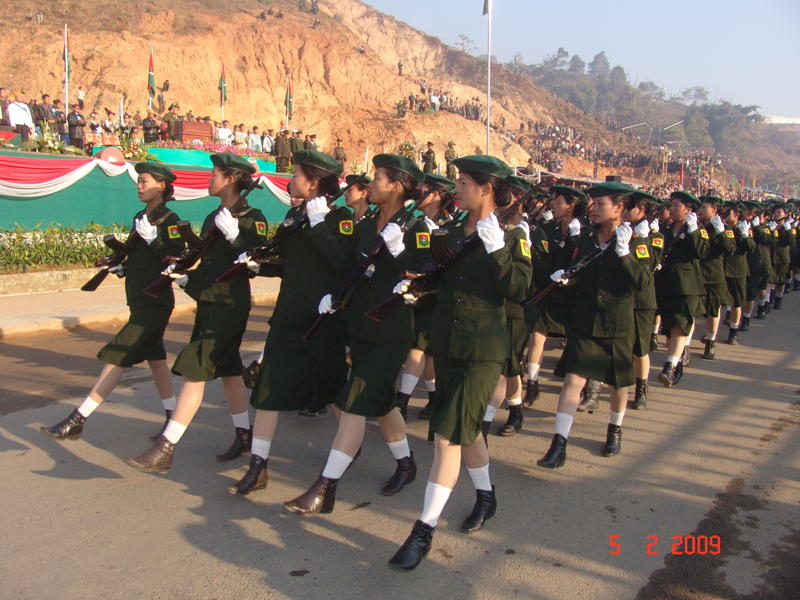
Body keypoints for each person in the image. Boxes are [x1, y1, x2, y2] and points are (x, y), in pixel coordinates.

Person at [387, 155, 531, 571]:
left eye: (464, 182)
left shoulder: (512, 234)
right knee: (466, 431)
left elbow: (519, 287)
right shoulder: (450, 230)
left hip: (483, 352)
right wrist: (405, 266)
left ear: (487, 188)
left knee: (447, 436)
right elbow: (433, 275)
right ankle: (486, 495)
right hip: (448, 344)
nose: (457, 189)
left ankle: (422, 530)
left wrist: (498, 247)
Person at [283, 154, 427, 515]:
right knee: (380, 403)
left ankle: (325, 486)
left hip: (391, 330)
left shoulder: (419, 227)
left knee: (354, 402)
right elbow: (342, 263)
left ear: (396, 184)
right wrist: (333, 294)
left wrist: (401, 251)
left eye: (378, 178)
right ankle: (407, 464)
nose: (370, 184)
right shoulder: (364, 225)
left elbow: (428, 274)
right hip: (360, 326)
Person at [125, 153, 269, 473]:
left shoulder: (251, 216)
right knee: (230, 371)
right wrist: (187, 278)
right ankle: (244, 435)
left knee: (195, 371)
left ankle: (166, 446)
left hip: (230, 305)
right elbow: (204, 262)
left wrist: (237, 236)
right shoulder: (211, 217)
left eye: (215, 173)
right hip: (209, 302)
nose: (209, 178)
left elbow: (259, 263)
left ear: (231, 179)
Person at [226, 150, 351, 495]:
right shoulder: (294, 215)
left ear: (312, 182)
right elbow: (286, 262)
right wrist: (258, 264)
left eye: (296, 175)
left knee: (333, 390)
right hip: (288, 318)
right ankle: (258, 466)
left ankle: (349, 449)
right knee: (269, 391)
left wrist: (319, 223)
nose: (290, 180)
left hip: (322, 323)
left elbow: (341, 261)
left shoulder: (341, 218)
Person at [41, 163, 185, 442]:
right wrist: (123, 267)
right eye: (138, 182)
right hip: (139, 298)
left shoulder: (170, 219)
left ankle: (79, 417)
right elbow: (137, 256)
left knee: (117, 355)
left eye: (144, 182)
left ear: (162, 186)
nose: (139, 186)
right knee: (156, 360)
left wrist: (155, 240)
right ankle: (172, 417)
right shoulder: (139, 216)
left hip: (155, 303)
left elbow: (176, 258)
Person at [537, 181, 648, 470]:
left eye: (601, 204)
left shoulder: (636, 240)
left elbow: (643, 283)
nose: (594, 209)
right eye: (593, 203)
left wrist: (625, 256)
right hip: (585, 318)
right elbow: (583, 273)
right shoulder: (587, 239)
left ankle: (615, 428)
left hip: (616, 322)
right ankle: (558, 443)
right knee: (573, 379)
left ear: (619, 208)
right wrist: (567, 278)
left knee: (618, 383)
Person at [393, 173, 457, 420]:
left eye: (425, 190)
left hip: (436, 295)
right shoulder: (420, 225)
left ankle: (404, 400)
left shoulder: (446, 226)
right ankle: (428, 398)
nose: (419, 193)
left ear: (437, 195)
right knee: (421, 349)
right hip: (424, 295)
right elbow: (420, 261)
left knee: (420, 350)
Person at [524, 185, 584, 407]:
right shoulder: (552, 228)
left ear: (572, 206)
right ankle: (532, 383)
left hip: (573, 293)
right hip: (550, 289)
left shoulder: (584, 230)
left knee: (577, 341)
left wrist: (576, 238)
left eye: (559, 202)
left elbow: (583, 261)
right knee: (537, 335)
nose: (554, 206)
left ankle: (587, 384)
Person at [656, 192, 709, 387]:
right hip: (666, 283)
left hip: (686, 286)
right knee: (669, 327)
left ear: (688, 210)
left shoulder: (697, 230)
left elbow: (702, 252)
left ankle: (669, 366)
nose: (672, 209)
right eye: (671, 205)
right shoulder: (666, 228)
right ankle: (676, 363)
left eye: (677, 205)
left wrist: (694, 231)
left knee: (679, 324)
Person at [622, 190, 663, 410]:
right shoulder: (619, 230)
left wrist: (644, 239)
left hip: (641, 301)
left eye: (630, 207)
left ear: (641, 210)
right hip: (620, 298)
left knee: (640, 350)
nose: (625, 211)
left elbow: (650, 267)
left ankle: (641, 389)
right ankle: (594, 387)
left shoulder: (654, 236)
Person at [697, 196, 735, 359]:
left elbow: (730, 249)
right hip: (696, 273)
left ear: (714, 210)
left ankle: (711, 341)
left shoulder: (723, 228)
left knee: (713, 310)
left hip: (713, 274)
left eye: (704, 208)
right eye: (700, 207)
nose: (700, 211)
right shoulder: (695, 226)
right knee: (691, 310)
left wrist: (721, 232)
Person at [722, 201, 754, 344]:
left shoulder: (744, 228)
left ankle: (733, 332)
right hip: (720, 268)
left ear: (735, 214)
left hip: (737, 270)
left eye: (727, 212)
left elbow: (751, 248)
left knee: (736, 302)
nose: (723, 214)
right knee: (715, 303)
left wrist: (745, 235)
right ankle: (711, 334)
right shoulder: (720, 227)